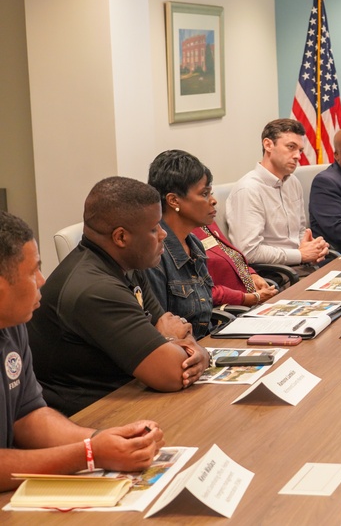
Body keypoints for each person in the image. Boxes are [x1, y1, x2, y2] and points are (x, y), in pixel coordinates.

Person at [0, 212, 165, 492]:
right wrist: (89, 454)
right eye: (32, 271)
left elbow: (28, 416)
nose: (42, 280)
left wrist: (101, 439)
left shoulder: (12, 324)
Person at [27, 177, 210, 416]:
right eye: (154, 228)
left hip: (130, 394)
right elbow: (173, 373)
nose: (164, 234)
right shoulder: (95, 289)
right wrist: (169, 339)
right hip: (92, 414)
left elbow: (176, 329)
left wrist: (199, 353)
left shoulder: (130, 265)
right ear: (121, 237)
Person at [147, 150, 276, 338]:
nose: (213, 201)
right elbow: (160, 332)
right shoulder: (155, 255)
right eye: (205, 194)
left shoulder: (194, 245)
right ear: (174, 200)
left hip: (208, 340)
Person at [227, 118, 330, 276]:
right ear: (268, 145)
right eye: (291, 147)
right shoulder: (248, 189)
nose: (297, 156)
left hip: (301, 268)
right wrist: (301, 255)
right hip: (275, 275)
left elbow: (300, 230)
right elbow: (248, 251)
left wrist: (313, 247)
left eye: (300, 150)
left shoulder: (292, 181)